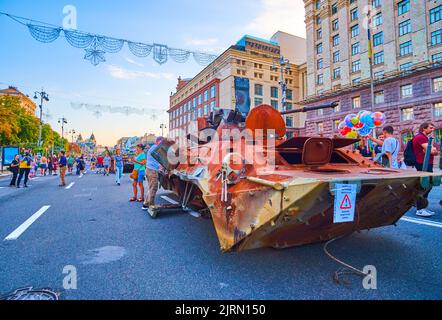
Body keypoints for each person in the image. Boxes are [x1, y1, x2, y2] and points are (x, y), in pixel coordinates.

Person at [412, 122, 439, 217]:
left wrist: (433, 150)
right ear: (424, 128)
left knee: (427, 185)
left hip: (426, 163)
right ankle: (420, 209)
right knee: (425, 185)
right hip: (423, 164)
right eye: (430, 128)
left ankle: (422, 207)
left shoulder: (424, 138)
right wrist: (433, 150)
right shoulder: (420, 137)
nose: (432, 130)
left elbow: (435, 152)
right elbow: (432, 151)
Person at [142, 137, 163, 211]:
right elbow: (163, 158)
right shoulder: (156, 148)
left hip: (149, 169)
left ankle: (145, 204)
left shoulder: (153, 148)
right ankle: (151, 206)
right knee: (154, 187)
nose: (162, 144)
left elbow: (158, 160)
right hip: (152, 171)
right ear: (157, 142)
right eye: (161, 142)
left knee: (151, 187)